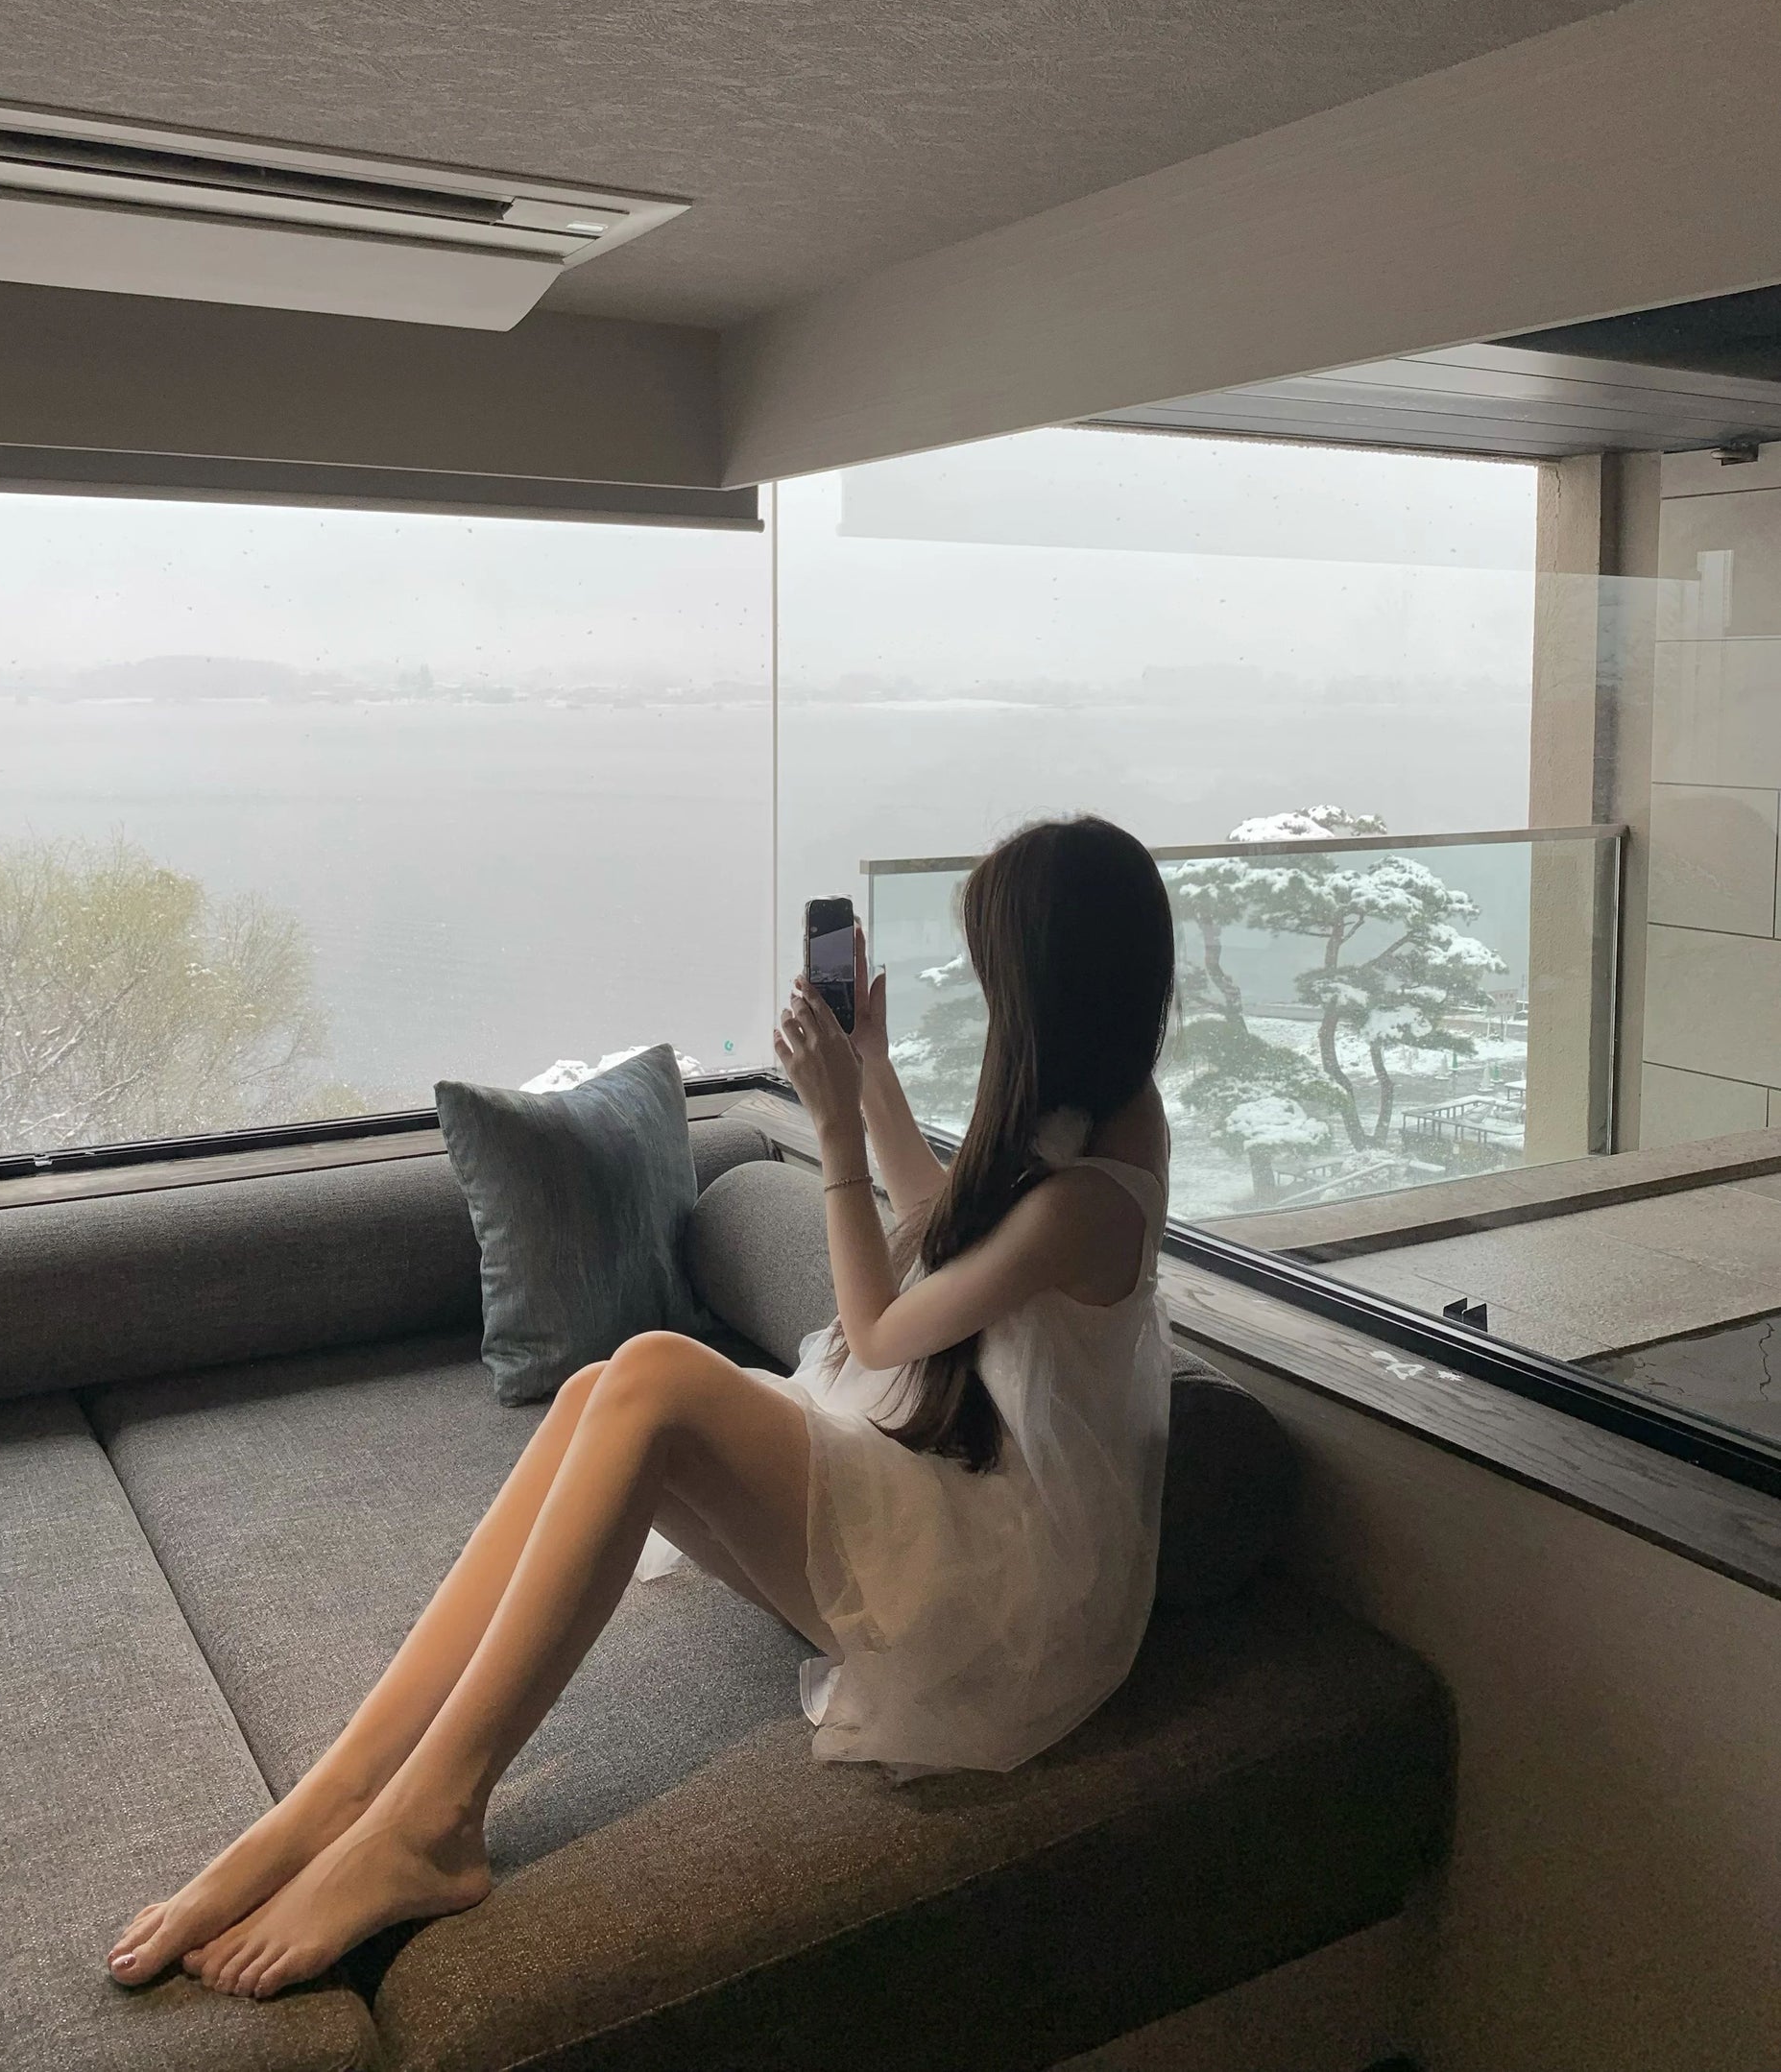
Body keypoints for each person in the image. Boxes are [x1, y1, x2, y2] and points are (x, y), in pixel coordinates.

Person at [107, 814, 1174, 2000]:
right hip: (946, 1501)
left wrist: (830, 1130)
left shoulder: (1093, 1196)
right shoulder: (1079, 1101)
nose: (975, 990)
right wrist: (870, 1071)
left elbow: (878, 1328)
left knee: (657, 1376)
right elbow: (940, 1227)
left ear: (1044, 986)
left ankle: (434, 1823)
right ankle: (340, 1795)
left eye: (988, 970)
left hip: (991, 1609)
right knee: (594, 1391)